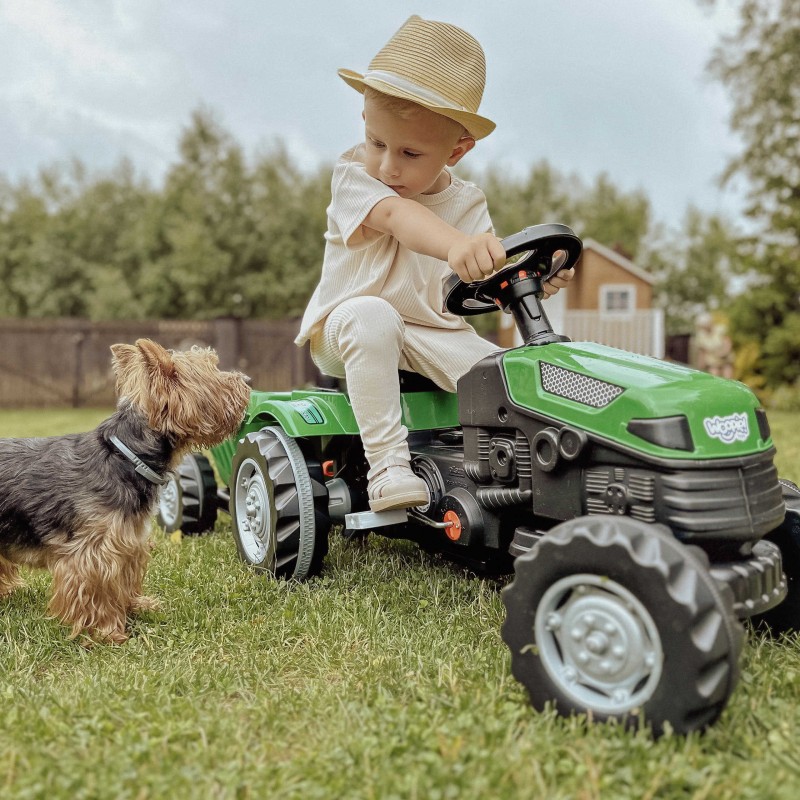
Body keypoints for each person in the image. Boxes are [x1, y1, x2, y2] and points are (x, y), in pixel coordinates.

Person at [295, 15, 574, 512]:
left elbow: (485, 271)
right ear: (364, 120)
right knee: (372, 317)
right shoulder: (357, 177)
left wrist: (533, 279)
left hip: (435, 335)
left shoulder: (469, 206)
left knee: (503, 374)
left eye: (409, 152)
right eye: (378, 142)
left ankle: (529, 477)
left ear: (457, 150)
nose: (388, 165)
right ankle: (387, 467)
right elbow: (398, 217)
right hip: (347, 328)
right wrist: (455, 247)